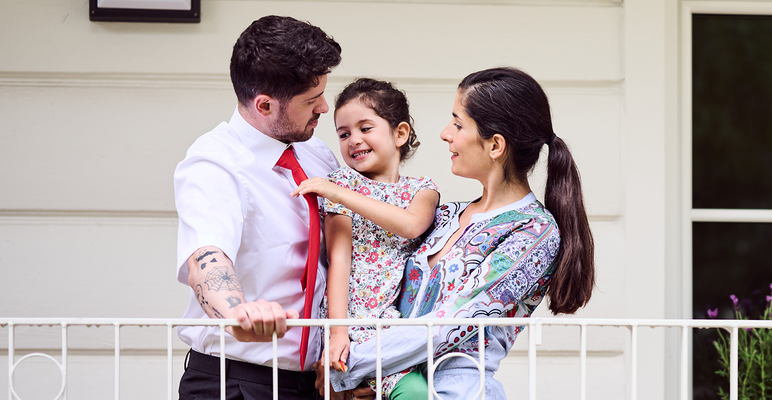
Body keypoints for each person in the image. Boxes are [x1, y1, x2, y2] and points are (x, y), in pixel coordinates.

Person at [322, 67, 596, 400]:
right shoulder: (444, 215)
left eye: (457, 123)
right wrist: (374, 376)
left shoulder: (534, 232)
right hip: (393, 384)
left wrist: (347, 365)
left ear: (495, 145)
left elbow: (452, 323)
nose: (444, 133)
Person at [173, 15, 341, 400]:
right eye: (311, 101)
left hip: (311, 384)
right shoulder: (214, 163)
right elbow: (207, 257)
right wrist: (237, 315)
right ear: (265, 104)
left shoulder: (317, 154)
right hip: (236, 382)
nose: (325, 108)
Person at [289, 78, 440, 399]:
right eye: (344, 134)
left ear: (400, 134)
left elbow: (411, 225)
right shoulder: (341, 182)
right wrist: (339, 331)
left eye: (365, 128)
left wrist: (340, 194)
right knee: (340, 392)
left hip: (389, 326)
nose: (353, 140)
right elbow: (338, 262)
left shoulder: (421, 189)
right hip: (344, 323)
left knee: (415, 393)